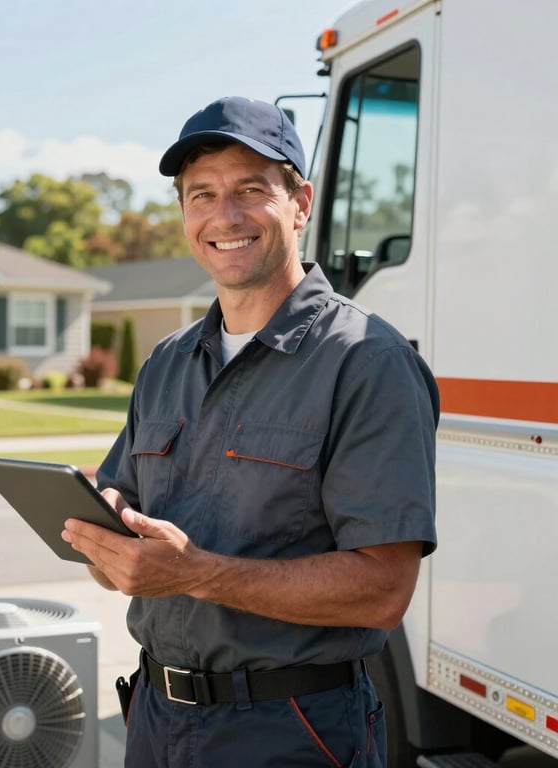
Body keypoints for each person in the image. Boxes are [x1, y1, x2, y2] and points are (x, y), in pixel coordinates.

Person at [62, 96, 439, 768]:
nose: (224, 216)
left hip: (293, 730)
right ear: (183, 215)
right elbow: (120, 502)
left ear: (300, 203)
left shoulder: (366, 362)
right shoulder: (166, 363)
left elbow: (383, 590)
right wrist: (108, 533)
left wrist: (195, 574)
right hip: (154, 718)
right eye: (201, 194)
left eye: (250, 190)